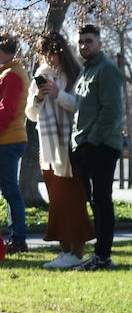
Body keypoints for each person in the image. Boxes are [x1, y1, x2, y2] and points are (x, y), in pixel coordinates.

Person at [26, 32, 92, 269]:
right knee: (57, 202)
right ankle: (65, 250)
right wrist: (39, 98)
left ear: (61, 52)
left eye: (52, 54)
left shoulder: (75, 75)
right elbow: (31, 115)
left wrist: (58, 94)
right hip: (49, 148)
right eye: (44, 54)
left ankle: (76, 251)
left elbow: (80, 106)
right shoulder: (41, 76)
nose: (48, 59)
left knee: (74, 200)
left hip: (70, 146)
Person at [69, 25, 124, 272]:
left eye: (88, 41)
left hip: (101, 146)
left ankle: (103, 256)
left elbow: (111, 111)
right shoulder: (86, 71)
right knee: (95, 200)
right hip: (84, 144)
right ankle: (98, 255)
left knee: (102, 199)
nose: (84, 46)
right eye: (80, 42)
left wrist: (92, 141)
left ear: (100, 43)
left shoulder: (107, 70)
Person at [0, 34, 29, 254]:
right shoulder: (10, 72)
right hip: (9, 139)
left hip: (7, 140)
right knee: (10, 191)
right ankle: (16, 239)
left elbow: (6, 112)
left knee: (11, 191)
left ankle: (18, 240)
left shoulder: (11, 75)